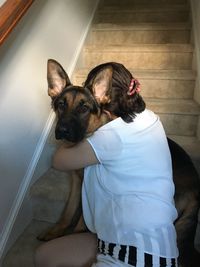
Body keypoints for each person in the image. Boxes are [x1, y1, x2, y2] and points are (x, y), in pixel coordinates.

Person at [35, 62, 179, 267]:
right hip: (158, 244)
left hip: (137, 255)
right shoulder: (150, 118)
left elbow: (58, 161)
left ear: (105, 97)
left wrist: (71, 130)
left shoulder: (110, 137)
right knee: (43, 255)